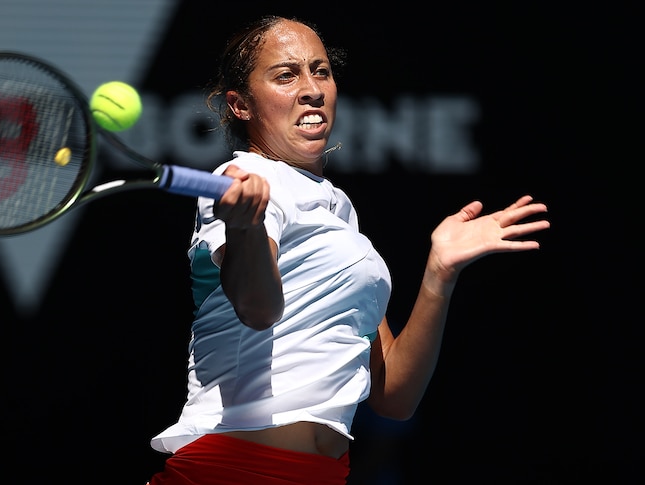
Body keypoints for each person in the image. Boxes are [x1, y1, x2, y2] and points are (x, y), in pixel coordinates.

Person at [145, 15, 549, 484]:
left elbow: (394, 396)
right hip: (234, 466)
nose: (312, 88)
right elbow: (257, 309)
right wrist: (247, 228)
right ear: (241, 105)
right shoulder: (249, 180)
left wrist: (439, 274)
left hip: (324, 473)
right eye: (286, 75)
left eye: (321, 71)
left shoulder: (340, 216)